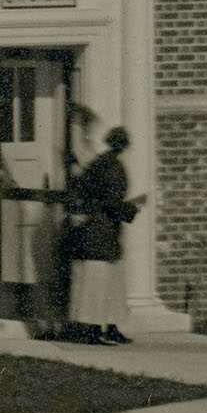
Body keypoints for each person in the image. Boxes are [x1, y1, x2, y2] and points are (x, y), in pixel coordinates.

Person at [56, 126, 146, 338]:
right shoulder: (113, 167)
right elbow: (111, 202)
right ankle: (96, 330)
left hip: (94, 229)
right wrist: (133, 208)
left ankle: (103, 328)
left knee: (101, 282)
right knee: (102, 282)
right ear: (123, 146)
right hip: (102, 230)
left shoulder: (98, 163)